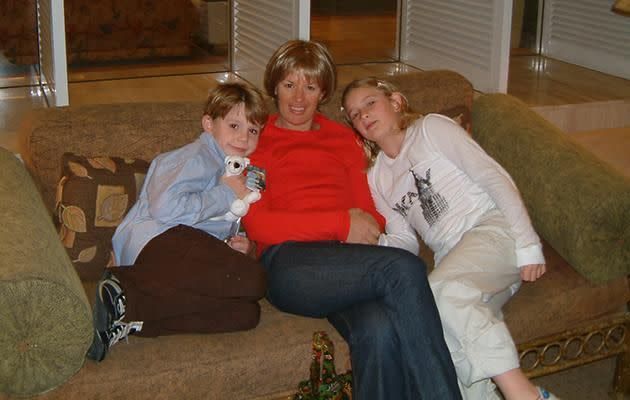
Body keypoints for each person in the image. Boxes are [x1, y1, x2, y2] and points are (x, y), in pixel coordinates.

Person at [241, 39, 462, 400]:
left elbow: (369, 212)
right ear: (274, 87)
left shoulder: (342, 138)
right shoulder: (257, 138)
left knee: (378, 330)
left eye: (310, 87)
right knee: (404, 269)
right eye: (289, 85)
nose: (298, 98)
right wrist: (341, 224)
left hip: (348, 262)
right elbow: (259, 226)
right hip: (290, 266)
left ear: (323, 91)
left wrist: (389, 214)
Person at [341, 77, 560, 400]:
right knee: (440, 323)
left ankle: (524, 395)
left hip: (493, 230)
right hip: (457, 261)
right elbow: (407, 241)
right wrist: (373, 242)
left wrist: (528, 245)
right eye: (354, 114)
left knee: (441, 291)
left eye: (370, 103)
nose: (364, 116)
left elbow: (493, 176)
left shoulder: (431, 129)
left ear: (396, 101)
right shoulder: (377, 178)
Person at [87, 82, 269, 362]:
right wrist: (226, 193)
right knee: (252, 278)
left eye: (252, 130)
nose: (244, 137)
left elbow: (210, 221)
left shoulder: (233, 168)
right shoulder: (199, 156)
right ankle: (124, 284)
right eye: (234, 126)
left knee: (246, 313)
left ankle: (128, 317)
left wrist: (237, 247)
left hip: (181, 253)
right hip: (156, 237)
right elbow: (166, 207)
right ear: (209, 124)